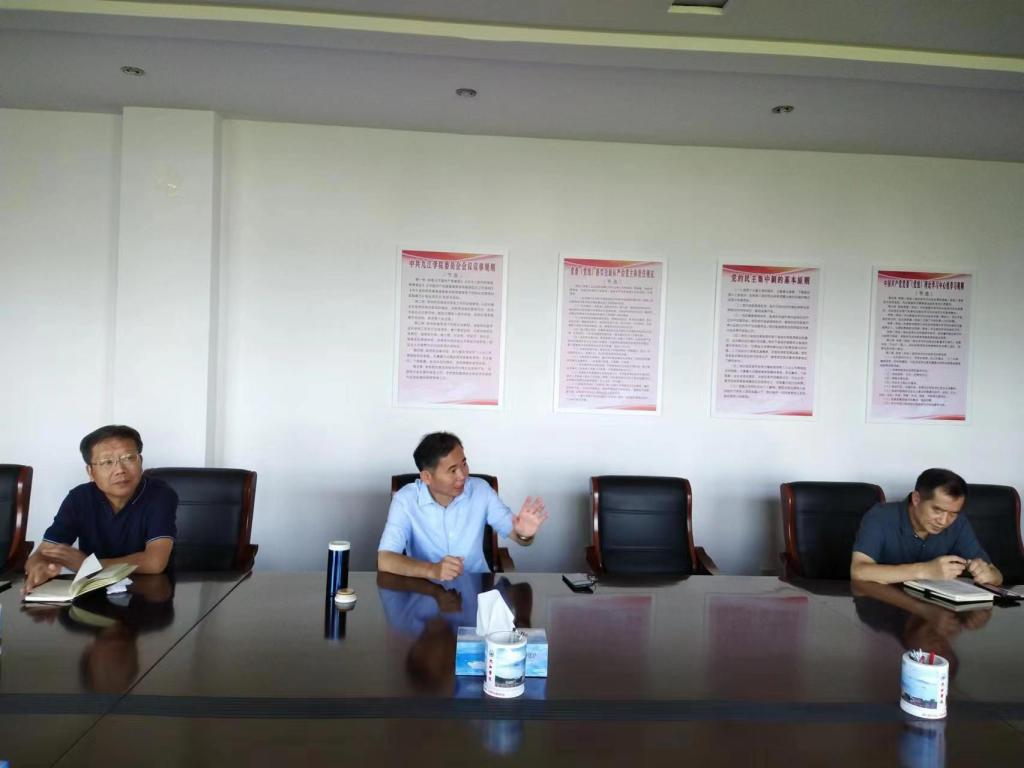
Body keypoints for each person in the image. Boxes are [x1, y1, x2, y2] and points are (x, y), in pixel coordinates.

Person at [23, 424, 178, 593]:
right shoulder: (79, 498)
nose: (120, 470)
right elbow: (43, 552)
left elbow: (155, 562)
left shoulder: (159, 495)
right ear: (90, 471)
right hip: (93, 592)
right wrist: (37, 566)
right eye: (107, 462)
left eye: (128, 458)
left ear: (140, 461)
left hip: (150, 592)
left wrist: (89, 566)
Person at [377, 431, 548, 580]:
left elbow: (519, 537)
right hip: (424, 588)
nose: (463, 475)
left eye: (464, 464)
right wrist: (432, 570)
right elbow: (385, 559)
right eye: (452, 470)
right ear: (427, 477)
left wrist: (524, 534)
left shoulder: (481, 490)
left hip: (476, 587)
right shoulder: (405, 500)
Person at [850, 468, 1002, 585]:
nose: (944, 521)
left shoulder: (959, 523)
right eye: (937, 510)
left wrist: (988, 575)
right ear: (916, 499)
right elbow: (859, 571)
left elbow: (997, 575)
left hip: (933, 609)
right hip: (881, 607)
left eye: (953, 513)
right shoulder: (880, 516)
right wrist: (925, 570)